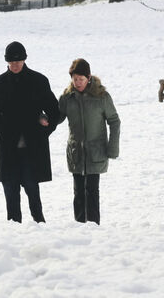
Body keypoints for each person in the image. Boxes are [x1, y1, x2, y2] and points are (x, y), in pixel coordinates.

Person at [0, 41, 60, 223]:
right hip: (8, 148)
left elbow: (55, 111)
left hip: (32, 148)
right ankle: (14, 232)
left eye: (18, 61)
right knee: (11, 195)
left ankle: (40, 228)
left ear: (25, 59)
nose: (15, 65)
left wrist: (44, 130)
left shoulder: (39, 81)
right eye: (11, 62)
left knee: (33, 194)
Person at [57, 58, 120, 224]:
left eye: (81, 79)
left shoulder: (101, 97)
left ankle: (93, 226)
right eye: (75, 79)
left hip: (96, 152)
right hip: (76, 152)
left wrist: (112, 148)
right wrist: (44, 118)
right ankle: (79, 226)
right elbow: (57, 117)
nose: (78, 83)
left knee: (92, 190)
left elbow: (114, 121)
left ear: (89, 77)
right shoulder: (67, 98)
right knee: (78, 191)